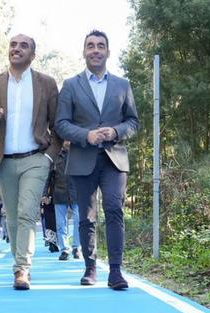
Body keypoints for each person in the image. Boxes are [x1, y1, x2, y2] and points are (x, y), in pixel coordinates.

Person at [55, 30, 139, 290]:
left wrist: (115, 131)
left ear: (108, 52)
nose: (95, 50)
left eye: (100, 46)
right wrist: (86, 135)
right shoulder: (71, 85)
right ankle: (90, 267)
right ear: (84, 52)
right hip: (83, 159)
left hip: (114, 159)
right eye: (90, 45)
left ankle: (115, 271)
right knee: (87, 215)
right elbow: (61, 123)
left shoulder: (122, 85)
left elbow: (133, 122)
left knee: (114, 209)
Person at [0, 34, 61, 290]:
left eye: (24, 46)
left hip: (35, 159)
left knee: (26, 213)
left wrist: (48, 158)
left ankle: (22, 268)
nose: (17, 48)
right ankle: (19, 263)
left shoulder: (46, 83)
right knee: (12, 218)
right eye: (13, 44)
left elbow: (57, 126)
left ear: (33, 55)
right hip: (4, 161)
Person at [51, 141, 80, 260]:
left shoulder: (79, 154)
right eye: (65, 139)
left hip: (76, 193)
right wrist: (45, 194)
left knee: (78, 220)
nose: (68, 142)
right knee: (61, 224)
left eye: (70, 139)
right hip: (59, 193)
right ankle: (64, 250)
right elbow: (49, 176)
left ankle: (76, 247)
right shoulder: (55, 156)